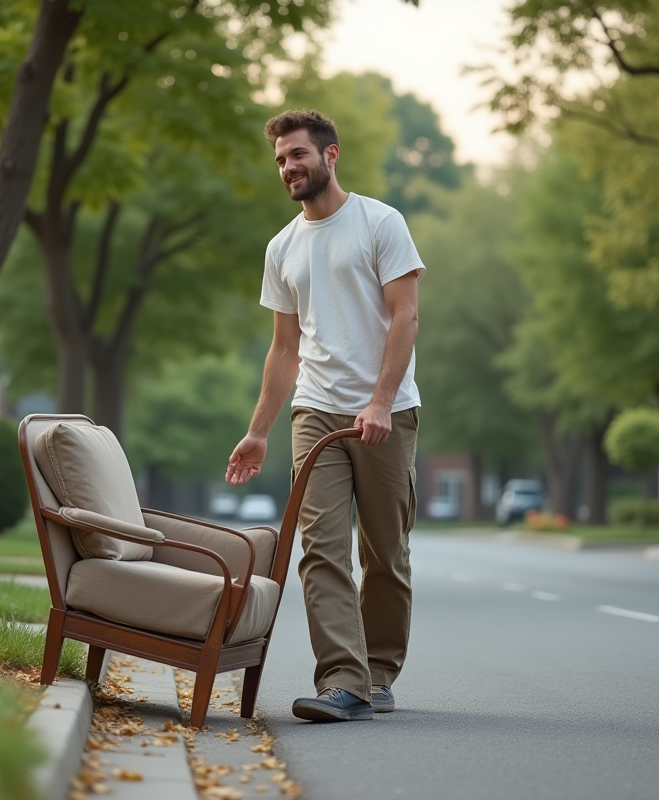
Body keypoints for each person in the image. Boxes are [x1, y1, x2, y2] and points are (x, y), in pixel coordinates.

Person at [226, 109, 424, 722]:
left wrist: (381, 402)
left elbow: (405, 317)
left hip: (386, 411)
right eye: (282, 158)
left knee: (385, 552)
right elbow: (285, 348)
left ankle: (379, 671)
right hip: (315, 411)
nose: (288, 167)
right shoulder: (282, 248)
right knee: (319, 547)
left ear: (330, 155)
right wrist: (258, 430)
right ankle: (344, 679)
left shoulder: (380, 223)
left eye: (298, 155)